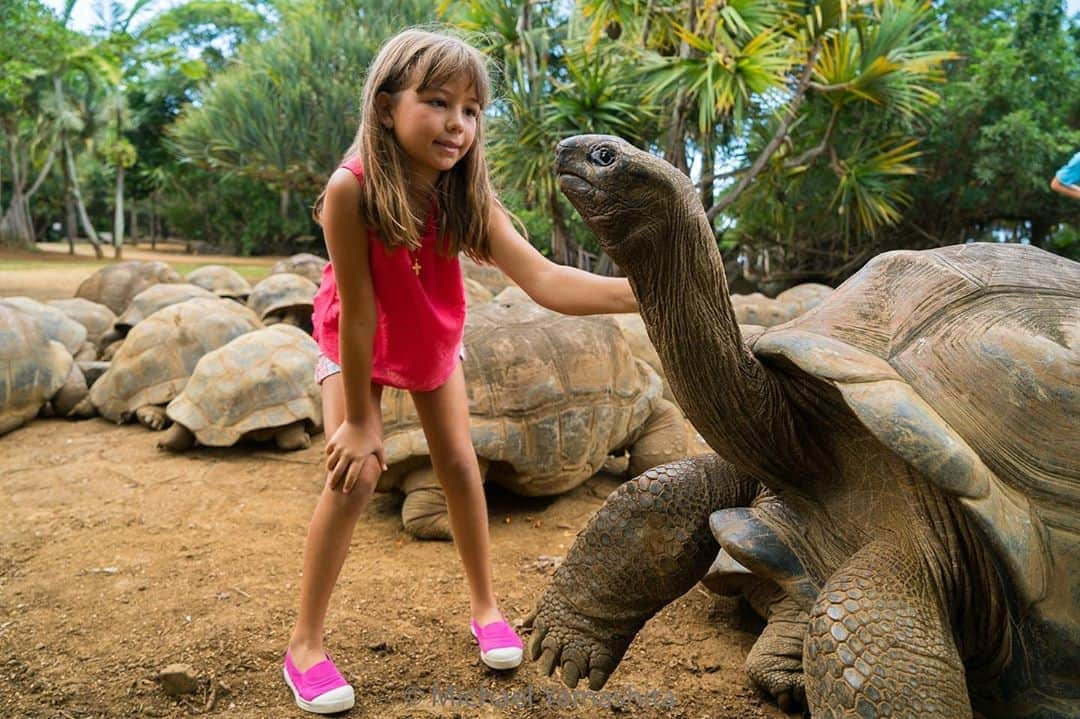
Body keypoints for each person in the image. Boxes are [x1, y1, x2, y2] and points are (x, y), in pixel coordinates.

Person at [282, 28, 638, 714]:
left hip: (430, 333)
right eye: (438, 102)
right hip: (355, 335)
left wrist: (645, 293)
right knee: (353, 476)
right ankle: (304, 645)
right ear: (387, 106)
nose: (457, 124)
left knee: (458, 463)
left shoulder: (465, 197)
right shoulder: (348, 191)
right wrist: (361, 421)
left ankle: (487, 606)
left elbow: (546, 280)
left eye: (472, 110)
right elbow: (358, 315)